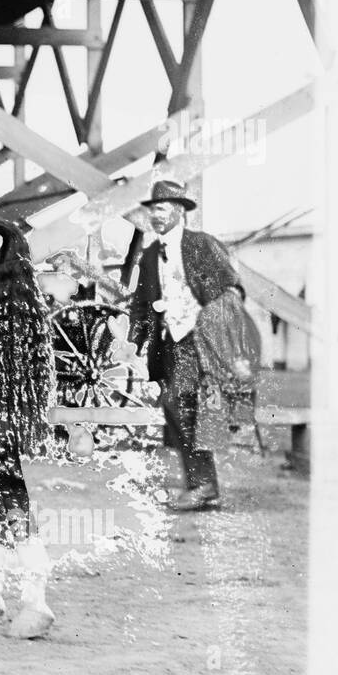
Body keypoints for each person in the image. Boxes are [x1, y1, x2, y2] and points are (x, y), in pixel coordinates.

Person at [128, 180, 245, 510]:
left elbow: (232, 289)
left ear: (179, 211)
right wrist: (131, 344)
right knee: (175, 408)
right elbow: (139, 306)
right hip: (168, 344)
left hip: (199, 341)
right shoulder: (150, 256)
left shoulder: (202, 245)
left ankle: (203, 486)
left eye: (162, 209)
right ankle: (204, 486)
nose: (155, 216)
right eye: (152, 210)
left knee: (181, 404)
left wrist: (216, 323)